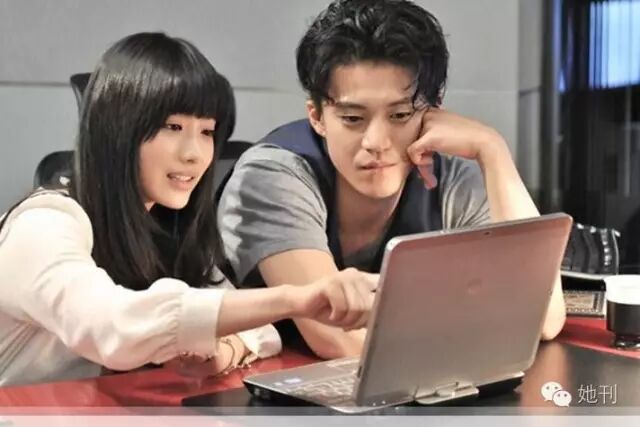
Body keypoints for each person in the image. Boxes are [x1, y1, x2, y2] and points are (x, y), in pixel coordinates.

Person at [0, 32, 378, 386]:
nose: (195, 154)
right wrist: (298, 299)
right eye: (173, 127)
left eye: (207, 131)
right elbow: (111, 326)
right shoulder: (43, 225)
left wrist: (227, 350)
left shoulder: (164, 224)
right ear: (116, 130)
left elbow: (256, 329)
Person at [217, 0, 566, 360]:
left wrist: (492, 150)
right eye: (353, 119)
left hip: (406, 383)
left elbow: (542, 319)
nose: (376, 142)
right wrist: (480, 323)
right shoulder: (275, 175)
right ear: (317, 117)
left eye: (400, 115)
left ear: (433, 111)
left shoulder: (452, 177)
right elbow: (340, 339)